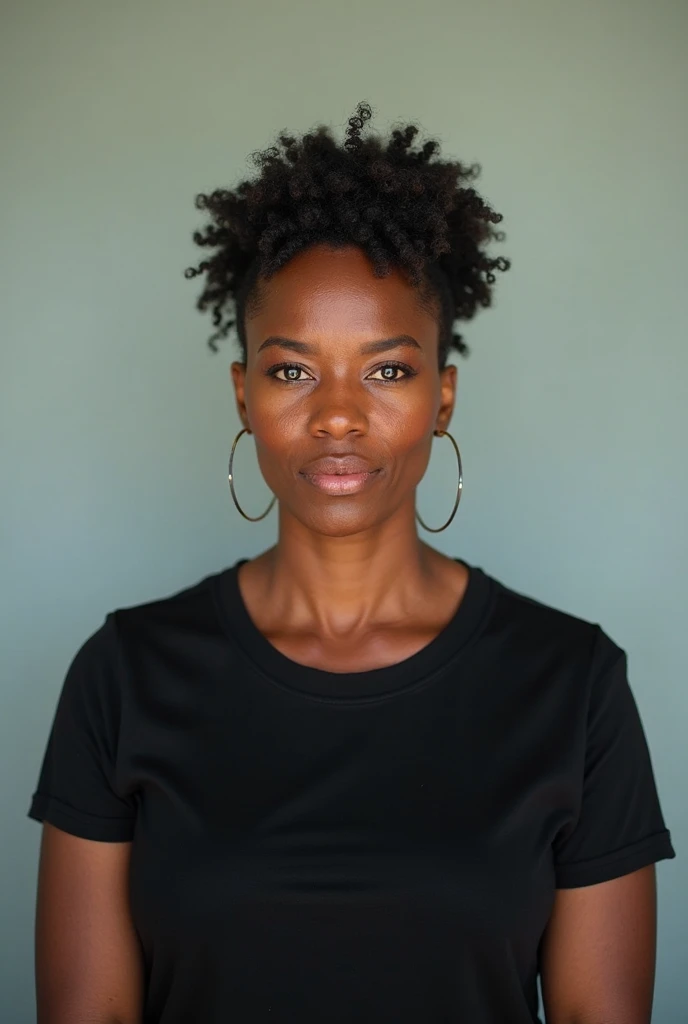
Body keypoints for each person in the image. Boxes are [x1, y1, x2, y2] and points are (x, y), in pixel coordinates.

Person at [28, 101, 675, 1024]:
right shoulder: (124, 676)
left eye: (387, 370)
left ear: (443, 397)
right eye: (292, 371)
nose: (336, 415)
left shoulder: (573, 685)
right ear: (243, 393)